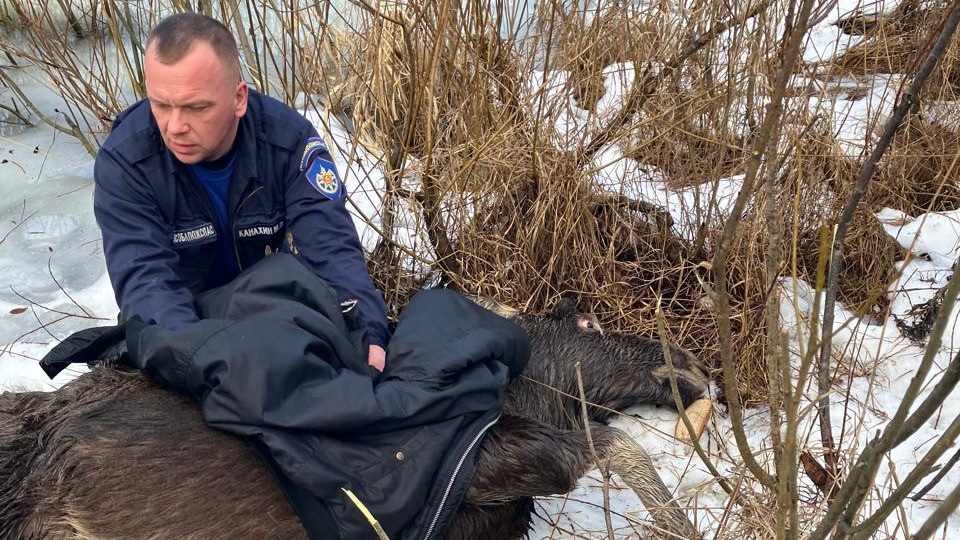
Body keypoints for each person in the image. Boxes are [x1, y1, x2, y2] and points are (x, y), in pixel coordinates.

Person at [93, 12, 388, 370]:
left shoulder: (288, 143)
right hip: (178, 320)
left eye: (196, 107)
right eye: (161, 105)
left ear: (238, 98)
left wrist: (369, 335)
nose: (175, 126)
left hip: (265, 305)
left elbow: (332, 250)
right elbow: (146, 282)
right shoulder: (125, 161)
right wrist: (203, 360)